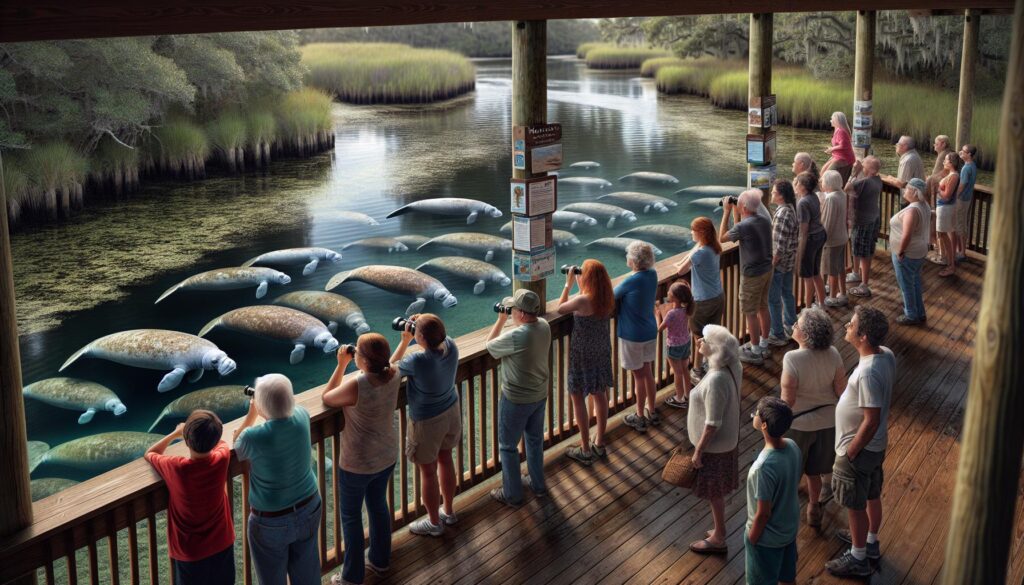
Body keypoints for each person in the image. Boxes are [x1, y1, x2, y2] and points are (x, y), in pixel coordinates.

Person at [322, 333, 400, 584]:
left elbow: (327, 397)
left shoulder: (358, 384)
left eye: (357, 354)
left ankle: (352, 577)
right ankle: (380, 561)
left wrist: (341, 364)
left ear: (363, 361)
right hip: (387, 455)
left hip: (358, 463)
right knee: (378, 506)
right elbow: (391, 363)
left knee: (352, 517)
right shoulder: (395, 373)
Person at [826, 306, 894, 578]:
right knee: (871, 494)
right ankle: (870, 542)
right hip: (875, 447)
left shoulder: (867, 373)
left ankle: (858, 558)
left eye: (851, 325)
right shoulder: (885, 355)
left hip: (859, 450)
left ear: (863, 336)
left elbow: (872, 419)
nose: (846, 327)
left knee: (855, 505)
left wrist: (850, 452)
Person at [234, 374, 321, 585]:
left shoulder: (253, 437)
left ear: (261, 404)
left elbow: (237, 441)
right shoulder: (301, 416)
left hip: (271, 521)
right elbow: (285, 409)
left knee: (272, 578)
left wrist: (252, 413)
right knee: (307, 573)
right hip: (309, 506)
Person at [391, 314, 461, 536]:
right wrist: (423, 323)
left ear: (419, 337)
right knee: (446, 458)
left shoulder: (418, 361)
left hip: (427, 421)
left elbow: (390, 368)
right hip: (450, 411)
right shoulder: (451, 346)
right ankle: (448, 512)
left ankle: (433, 523)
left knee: (428, 472)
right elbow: (438, 334)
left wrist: (404, 340)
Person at [145, 411, 235, 585]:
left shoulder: (177, 468)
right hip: (222, 542)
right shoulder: (222, 457)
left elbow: (151, 453)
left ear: (186, 440)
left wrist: (176, 433)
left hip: (190, 552)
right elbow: (221, 444)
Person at [780, 308, 844, 527]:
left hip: (799, 424)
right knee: (815, 470)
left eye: (797, 325)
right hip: (828, 422)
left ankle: (785, 513)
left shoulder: (792, 358)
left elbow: (786, 402)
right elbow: (840, 391)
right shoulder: (833, 353)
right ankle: (814, 506)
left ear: (806, 334)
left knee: (792, 471)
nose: (794, 326)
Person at [487, 288, 551, 506]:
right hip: (539, 394)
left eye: (513, 309)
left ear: (522, 314)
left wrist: (500, 320)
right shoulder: (544, 326)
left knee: (507, 446)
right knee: (534, 441)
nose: (511, 312)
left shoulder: (518, 335)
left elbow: (490, 346)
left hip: (516, 398)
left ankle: (512, 495)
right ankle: (538, 484)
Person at [687, 324, 742, 555]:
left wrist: (699, 450)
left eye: (705, 340)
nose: (699, 341)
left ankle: (719, 537)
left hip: (715, 447)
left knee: (714, 491)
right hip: (727, 442)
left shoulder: (717, 379)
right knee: (716, 490)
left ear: (715, 349)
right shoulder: (732, 366)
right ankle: (719, 529)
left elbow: (713, 423)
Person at [557, 259, 614, 465]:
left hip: (583, 354)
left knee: (577, 396)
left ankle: (585, 448)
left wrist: (568, 284)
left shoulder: (582, 301)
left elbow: (561, 308)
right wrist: (582, 285)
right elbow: (586, 298)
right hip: (601, 350)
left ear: (587, 277)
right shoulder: (606, 297)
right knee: (600, 394)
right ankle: (599, 441)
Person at [746, 396, 802, 585]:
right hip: (788, 530)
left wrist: (751, 539)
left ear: (763, 425)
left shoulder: (763, 467)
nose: (754, 414)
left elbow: (763, 513)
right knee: (788, 578)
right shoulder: (793, 447)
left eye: (757, 413)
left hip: (766, 540)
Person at [719, 189, 773, 365]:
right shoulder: (763, 220)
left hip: (752, 274)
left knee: (750, 312)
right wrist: (737, 209)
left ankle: (755, 350)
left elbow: (722, 238)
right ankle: (764, 343)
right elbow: (741, 227)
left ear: (743, 207)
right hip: (767, 270)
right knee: (763, 307)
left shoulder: (745, 226)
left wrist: (727, 211)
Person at [616, 241, 660, 432]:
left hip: (633, 335)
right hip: (650, 330)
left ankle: (640, 416)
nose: (627, 258)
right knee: (648, 372)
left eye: (628, 256)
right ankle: (652, 409)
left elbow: (612, 295)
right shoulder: (652, 274)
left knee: (638, 376)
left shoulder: (631, 280)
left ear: (634, 261)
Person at [676, 216, 724, 384]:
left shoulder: (701, 253)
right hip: (717, 296)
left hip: (703, 301)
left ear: (701, 233)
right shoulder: (713, 247)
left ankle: (696, 370)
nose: (691, 232)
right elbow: (694, 252)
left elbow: (681, 271)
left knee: (698, 336)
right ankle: (709, 364)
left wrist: (678, 265)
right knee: (711, 334)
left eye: (693, 230)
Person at [890, 178, 931, 325]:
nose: (905, 190)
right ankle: (920, 312)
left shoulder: (912, 211)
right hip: (919, 250)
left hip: (908, 253)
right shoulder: (924, 205)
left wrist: (900, 251)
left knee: (906, 285)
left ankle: (911, 315)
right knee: (915, 282)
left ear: (914, 192)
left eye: (907, 188)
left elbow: (907, 234)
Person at [844, 156, 883, 297]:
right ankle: (855, 272)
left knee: (864, 252)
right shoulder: (877, 180)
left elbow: (846, 188)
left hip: (863, 222)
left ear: (871, 170)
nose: (863, 167)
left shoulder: (866, 182)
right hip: (872, 218)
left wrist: (854, 172)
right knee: (858, 248)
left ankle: (864, 285)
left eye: (865, 165)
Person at [766, 179, 798, 347]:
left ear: (780, 196)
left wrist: (771, 266)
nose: (771, 194)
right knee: (787, 294)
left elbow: (778, 246)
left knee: (773, 299)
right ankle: (792, 326)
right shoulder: (790, 209)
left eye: (773, 192)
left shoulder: (783, 214)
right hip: (789, 262)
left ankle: (777, 333)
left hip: (779, 265)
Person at [656, 281, 694, 409]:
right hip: (685, 342)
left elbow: (660, 329)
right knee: (685, 370)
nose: (667, 293)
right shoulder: (686, 309)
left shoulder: (671, 314)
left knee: (677, 373)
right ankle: (688, 395)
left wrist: (657, 315)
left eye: (670, 292)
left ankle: (679, 398)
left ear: (676, 297)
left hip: (674, 346)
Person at [794, 172, 827, 310]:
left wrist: (800, 251)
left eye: (797, 183)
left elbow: (804, 229)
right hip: (820, 234)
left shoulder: (803, 202)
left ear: (803, 186)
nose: (794, 185)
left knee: (807, 275)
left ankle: (807, 308)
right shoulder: (813, 196)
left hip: (811, 239)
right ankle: (822, 304)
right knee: (815, 272)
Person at [819, 170, 848, 308]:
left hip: (832, 240)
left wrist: (822, 239)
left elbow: (827, 223)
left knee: (831, 269)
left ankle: (832, 297)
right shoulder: (842, 194)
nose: (821, 182)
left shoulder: (831, 198)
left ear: (829, 183)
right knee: (840, 266)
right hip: (842, 236)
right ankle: (842, 293)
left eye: (823, 180)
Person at [934, 152, 962, 277]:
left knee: (943, 235)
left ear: (951, 163)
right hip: (943, 207)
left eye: (945, 160)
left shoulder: (954, 176)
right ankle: (949, 262)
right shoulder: (950, 174)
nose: (943, 162)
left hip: (945, 208)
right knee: (942, 234)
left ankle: (951, 266)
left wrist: (938, 189)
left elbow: (946, 196)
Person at [955, 144, 978, 262]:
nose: (960, 152)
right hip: (967, 199)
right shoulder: (972, 165)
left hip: (961, 200)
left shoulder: (966, 168)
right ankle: (961, 251)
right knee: (962, 224)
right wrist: (961, 155)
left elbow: (962, 185)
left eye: (963, 151)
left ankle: (962, 253)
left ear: (969, 154)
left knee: (960, 226)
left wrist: (954, 197)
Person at [821, 112, 856, 184]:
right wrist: (831, 149)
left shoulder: (841, 131)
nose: (831, 120)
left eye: (832, 119)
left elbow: (843, 145)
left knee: (826, 175)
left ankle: (824, 189)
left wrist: (832, 149)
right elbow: (840, 145)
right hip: (837, 156)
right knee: (823, 170)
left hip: (844, 158)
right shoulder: (837, 130)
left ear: (837, 120)